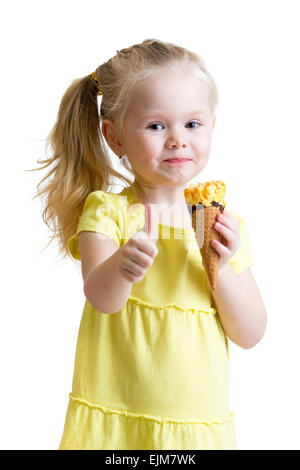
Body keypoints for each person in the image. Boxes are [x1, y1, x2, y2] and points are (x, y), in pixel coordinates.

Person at [32, 38, 267, 450]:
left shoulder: (224, 225)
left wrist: (222, 266)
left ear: (213, 127)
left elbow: (250, 333)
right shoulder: (110, 212)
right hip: (117, 422)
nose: (177, 139)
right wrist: (121, 265)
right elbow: (102, 298)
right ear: (115, 137)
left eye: (192, 124)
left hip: (196, 429)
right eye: (157, 125)